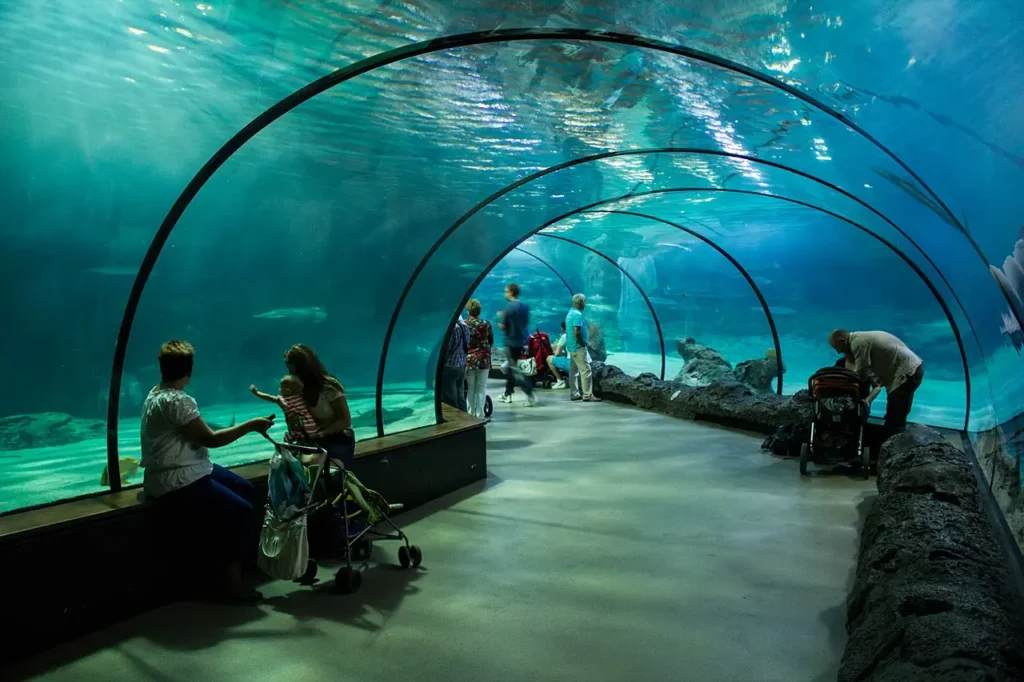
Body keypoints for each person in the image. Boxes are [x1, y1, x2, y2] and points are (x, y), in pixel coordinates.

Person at [141, 340, 275, 603]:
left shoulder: (156, 393)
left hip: (190, 467)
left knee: (246, 489)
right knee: (241, 511)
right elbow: (211, 439)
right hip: (175, 478)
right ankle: (231, 584)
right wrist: (250, 426)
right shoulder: (177, 401)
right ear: (189, 370)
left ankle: (236, 562)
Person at [828, 329, 923, 435]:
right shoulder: (859, 341)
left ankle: (894, 445)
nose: (838, 352)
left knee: (896, 414)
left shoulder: (858, 343)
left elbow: (862, 374)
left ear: (843, 340)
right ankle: (891, 442)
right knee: (894, 411)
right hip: (901, 373)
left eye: (838, 347)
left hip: (906, 372)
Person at [284, 344, 355, 467]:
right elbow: (294, 424)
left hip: (337, 436)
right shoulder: (296, 389)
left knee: (327, 468)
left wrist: (320, 434)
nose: (290, 373)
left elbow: (345, 420)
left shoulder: (329, 387)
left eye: (292, 369)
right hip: (311, 439)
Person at [497, 282, 538, 406]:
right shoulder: (525, 306)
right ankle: (507, 394)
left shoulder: (508, 307)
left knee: (514, 370)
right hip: (521, 341)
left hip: (510, 342)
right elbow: (525, 324)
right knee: (511, 368)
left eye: (506, 291)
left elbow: (503, 326)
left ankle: (529, 391)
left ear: (511, 292)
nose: (505, 293)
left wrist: (499, 318)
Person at [250, 375, 318, 443]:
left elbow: (269, 398)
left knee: (287, 438)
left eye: (281, 388)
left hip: (299, 430)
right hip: (313, 427)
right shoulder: (301, 397)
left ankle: (290, 448)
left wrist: (257, 393)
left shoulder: (283, 401)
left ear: (287, 391)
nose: (279, 389)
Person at [566, 293, 601, 402]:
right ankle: (587, 395)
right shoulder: (577, 314)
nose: (585, 304)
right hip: (578, 347)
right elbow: (577, 332)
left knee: (573, 370)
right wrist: (582, 343)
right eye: (585, 302)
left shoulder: (570, 313)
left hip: (571, 347)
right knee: (586, 370)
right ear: (581, 303)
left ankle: (574, 393)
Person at [465, 298, 494, 419]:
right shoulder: (486, 324)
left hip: (470, 359)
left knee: (471, 387)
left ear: (468, 311)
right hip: (484, 359)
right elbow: (491, 341)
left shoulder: (465, 324)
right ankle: (480, 414)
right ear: (479, 311)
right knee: (481, 387)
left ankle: (470, 414)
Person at [441, 315, 470, 412]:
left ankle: (455, 417)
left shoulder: (452, 328)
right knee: (460, 393)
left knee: (451, 397)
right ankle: (464, 416)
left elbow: (447, 348)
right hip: (462, 364)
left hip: (450, 365)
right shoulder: (465, 326)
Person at [545, 320, 570, 390]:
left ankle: (560, 381)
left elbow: (557, 353)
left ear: (563, 328)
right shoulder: (579, 334)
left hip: (572, 364)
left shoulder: (565, 336)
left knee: (549, 358)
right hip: (584, 363)